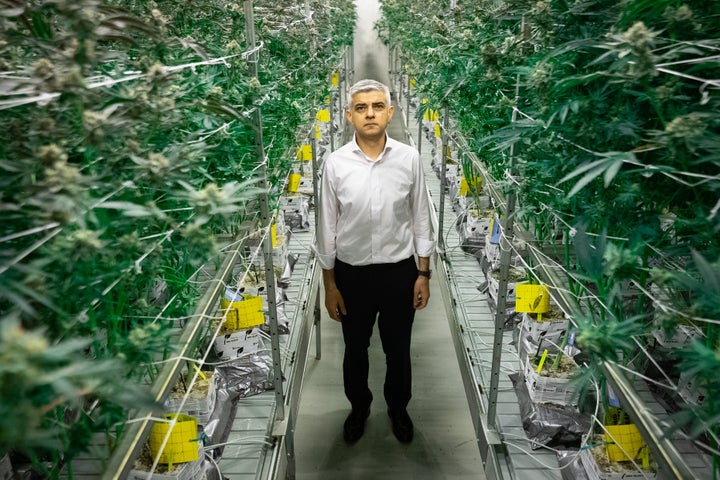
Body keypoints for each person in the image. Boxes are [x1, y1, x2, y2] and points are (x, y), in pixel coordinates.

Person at [315, 79, 436, 444]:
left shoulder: (408, 158)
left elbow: (420, 217)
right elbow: (326, 227)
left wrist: (423, 273)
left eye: (378, 106)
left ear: (390, 112)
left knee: (398, 349)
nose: (370, 114)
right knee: (355, 348)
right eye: (362, 108)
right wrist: (330, 285)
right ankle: (360, 407)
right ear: (349, 115)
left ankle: (398, 409)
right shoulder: (335, 164)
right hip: (351, 276)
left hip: (399, 272)